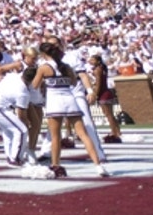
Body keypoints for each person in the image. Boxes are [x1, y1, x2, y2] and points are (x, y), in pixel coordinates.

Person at [29, 41, 110, 178]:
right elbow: (73, 82)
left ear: (43, 54)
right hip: (70, 100)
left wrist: (43, 82)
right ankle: (98, 165)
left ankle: (55, 165)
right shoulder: (66, 67)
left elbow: (34, 86)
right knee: (83, 134)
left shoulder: (44, 67)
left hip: (55, 102)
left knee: (55, 136)